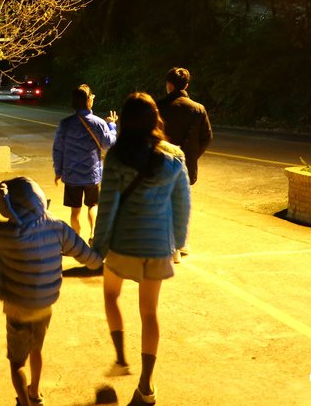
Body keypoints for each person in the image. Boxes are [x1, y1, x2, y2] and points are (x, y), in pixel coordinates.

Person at [0, 175, 103, 406]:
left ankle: (24, 402)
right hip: (45, 305)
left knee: (17, 362)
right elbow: (87, 257)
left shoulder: (3, 233)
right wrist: (101, 259)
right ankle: (35, 393)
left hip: (17, 308)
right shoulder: (57, 227)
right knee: (37, 349)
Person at [91, 92, 191, 405]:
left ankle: (121, 359)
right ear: (154, 119)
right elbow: (182, 205)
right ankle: (146, 388)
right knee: (149, 313)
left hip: (123, 244)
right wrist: (177, 243)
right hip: (157, 245)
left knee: (110, 295)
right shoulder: (174, 156)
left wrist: (98, 247)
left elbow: (107, 206)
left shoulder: (118, 157)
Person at [156, 67, 211, 261]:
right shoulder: (198, 109)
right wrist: (192, 155)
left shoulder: (158, 106)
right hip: (185, 164)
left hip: (160, 162)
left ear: (169, 85)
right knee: (181, 203)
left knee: (164, 203)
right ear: (186, 85)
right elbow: (206, 138)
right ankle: (180, 244)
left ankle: (170, 246)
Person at [53, 84, 118, 242]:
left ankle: (76, 239)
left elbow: (58, 149)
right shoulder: (98, 123)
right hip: (92, 174)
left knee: (75, 211)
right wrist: (112, 125)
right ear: (89, 101)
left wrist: (58, 171)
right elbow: (109, 143)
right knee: (93, 205)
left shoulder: (65, 123)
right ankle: (93, 234)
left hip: (72, 175)